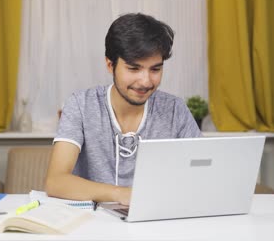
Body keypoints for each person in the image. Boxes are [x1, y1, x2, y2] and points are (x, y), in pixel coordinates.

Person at [45, 13, 201, 205]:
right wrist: (123, 195)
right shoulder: (81, 104)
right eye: (134, 69)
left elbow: (201, 175)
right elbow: (56, 182)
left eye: (155, 69)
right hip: (92, 225)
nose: (145, 81)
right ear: (110, 65)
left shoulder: (175, 110)